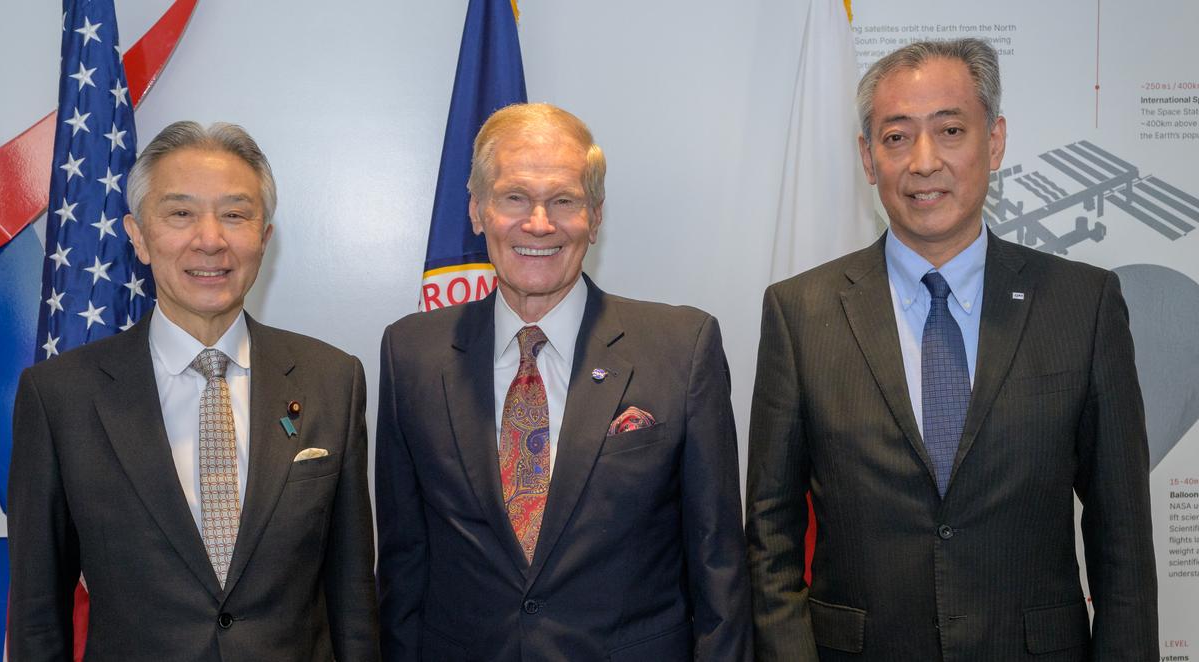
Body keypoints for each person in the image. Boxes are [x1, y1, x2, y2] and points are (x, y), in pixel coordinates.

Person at [746, 38, 1157, 660]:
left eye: (951, 130)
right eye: (896, 137)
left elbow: (1121, 537)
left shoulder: (1084, 304)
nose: (924, 161)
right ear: (867, 157)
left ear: (993, 142)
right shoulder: (800, 311)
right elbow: (770, 535)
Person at [376, 103, 751, 661]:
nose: (539, 224)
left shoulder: (681, 346)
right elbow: (405, 565)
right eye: (514, 198)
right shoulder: (411, 352)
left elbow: (718, 562)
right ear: (477, 210)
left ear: (595, 217)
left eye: (564, 201)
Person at [8, 121, 378, 661]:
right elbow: (39, 615)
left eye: (235, 214)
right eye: (180, 213)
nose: (211, 239)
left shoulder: (332, 379)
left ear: (264, 238)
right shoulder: (60, 396)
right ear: (137, 235)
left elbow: (353, 597)